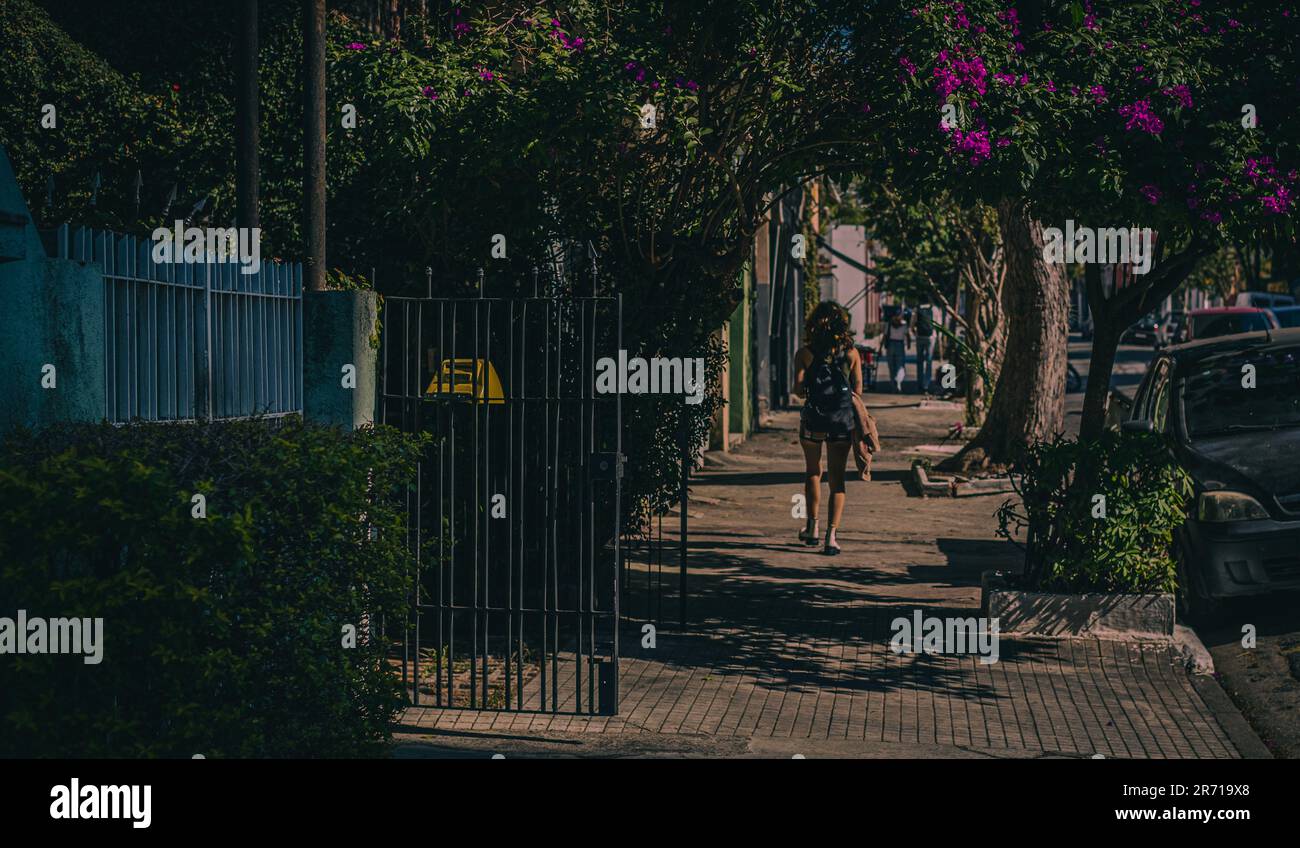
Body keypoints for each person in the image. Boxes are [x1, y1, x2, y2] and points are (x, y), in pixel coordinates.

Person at [794, 301, 863, 555]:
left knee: (813, 471)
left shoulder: (805, 353)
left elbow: (798, 390)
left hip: (814, 419)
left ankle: (811, 528)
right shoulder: (852, 354)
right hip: (841, 421)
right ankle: (831, 537)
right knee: (837, 479)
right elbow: (858, 390)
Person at [910, 300, 935, 395]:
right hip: (930, 338)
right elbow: (938, 323)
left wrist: (914, 332)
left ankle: (919, 384)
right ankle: (926, 385)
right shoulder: (934, 309)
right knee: (929, 361)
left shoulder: (917, 309)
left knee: (919, 361)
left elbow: (912, 323)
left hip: (920, 337)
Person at [883, 310, 911, 393]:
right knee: (900, 365)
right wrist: (908, 344)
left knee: (891, 366)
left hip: (891, 345)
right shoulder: (904, 324)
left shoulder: (889, 324)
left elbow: (885, 336)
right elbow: (907, 335)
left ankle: (893, 385)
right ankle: (898, 383)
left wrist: (883, 346)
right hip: (900, 345)